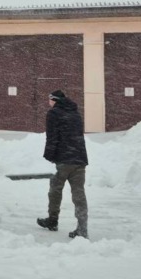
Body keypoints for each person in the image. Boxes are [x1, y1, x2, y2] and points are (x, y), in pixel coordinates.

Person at [36, 90, 89, 239]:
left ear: (54, 100)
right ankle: (82, 228)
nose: (49, 102)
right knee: (79, 194)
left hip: (63, 159)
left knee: (55, 190)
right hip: (79, 158)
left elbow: (52, 137)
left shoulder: (54, 113)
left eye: (49, 100)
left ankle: (52, 220)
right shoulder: (75, 113)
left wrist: (48, 157)